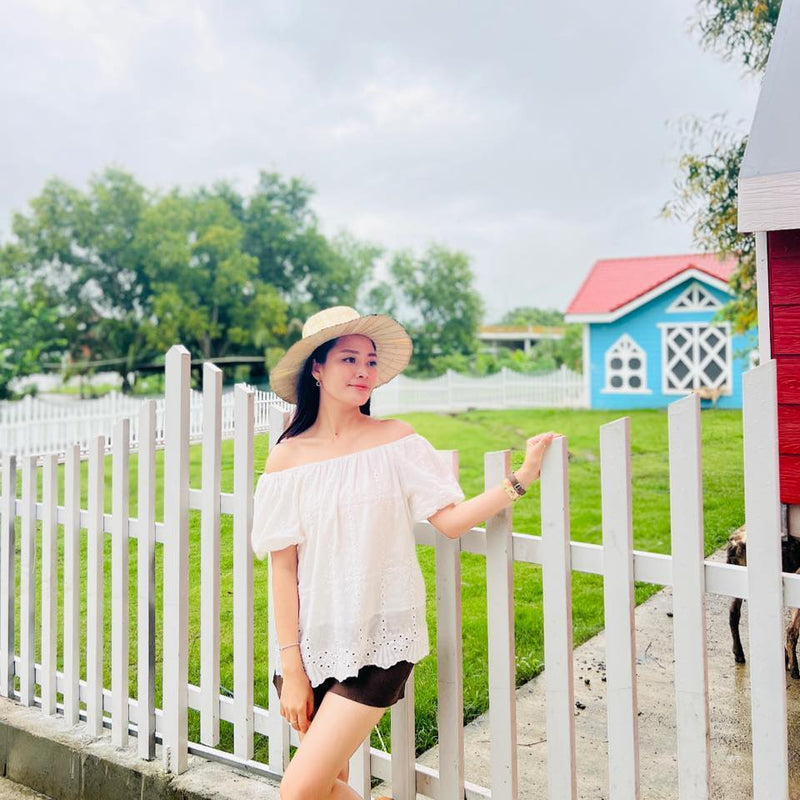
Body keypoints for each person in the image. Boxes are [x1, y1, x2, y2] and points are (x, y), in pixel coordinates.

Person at [252, 306, 558, 800]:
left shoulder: (396, 440)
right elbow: (283, 569)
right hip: (310, 647)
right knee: (328, 786)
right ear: (317, 368)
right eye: (349, 359)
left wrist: (519, 480)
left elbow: (450, 520)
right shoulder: (287, 458)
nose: (363, 371)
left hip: (381, 641)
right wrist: (292, 670)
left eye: (370, 362)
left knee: (299, 792)